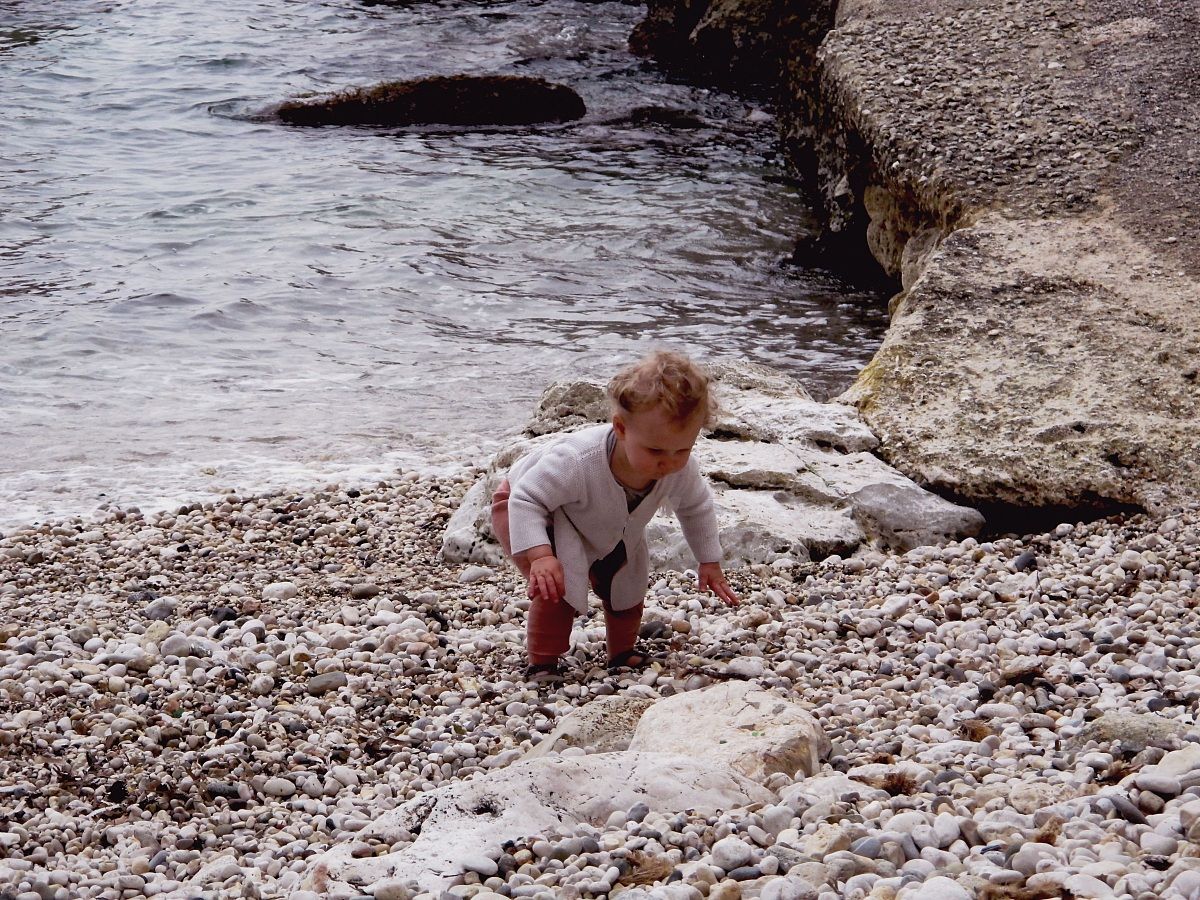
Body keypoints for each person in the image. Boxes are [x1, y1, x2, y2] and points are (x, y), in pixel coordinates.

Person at [490, 349, 739, 683]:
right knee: (557, 584)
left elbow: (696, 508)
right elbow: (528, 498)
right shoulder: (579, 462)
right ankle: (543, 662)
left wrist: (709, 560)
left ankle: (621, 652)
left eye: (683, 449)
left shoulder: (678, 468)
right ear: (621, 428)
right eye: (655, 451)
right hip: (530, 506)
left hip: (604, 519)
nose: (668, 462)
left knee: (627, 578)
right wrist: (539, 555)